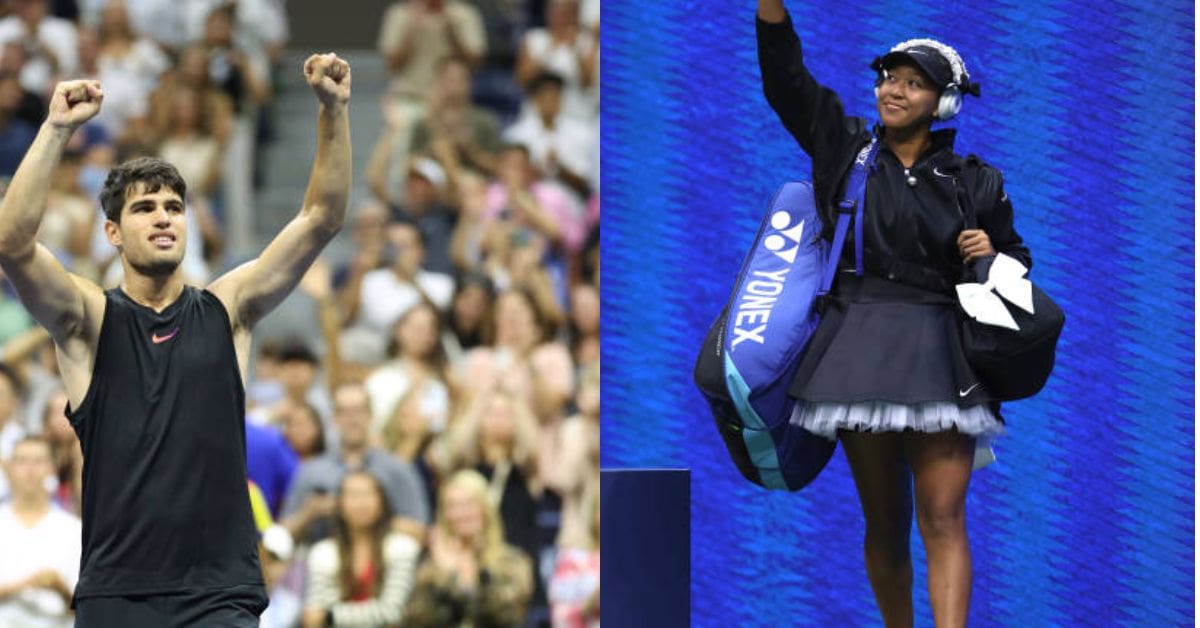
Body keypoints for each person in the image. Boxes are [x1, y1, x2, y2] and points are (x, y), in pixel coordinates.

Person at [0, 51, 353, 625]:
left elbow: (321, 217)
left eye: (174, 206)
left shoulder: (228, 310)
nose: (164, 217)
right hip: (118, 596)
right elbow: (12, 244)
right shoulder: (88, 320)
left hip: (221, 595)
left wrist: (333, 112)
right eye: (145, 208)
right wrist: (56, 128)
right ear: (112, 232)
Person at [756, 2, 1031, 626]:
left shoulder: (977, 181)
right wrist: (771, 11)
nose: (893, 90)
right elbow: (785, 82)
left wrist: (991, 252)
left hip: (940, 353)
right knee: (885, 523)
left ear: (945, 101)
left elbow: (1017, 263)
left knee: (944, 516)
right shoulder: (844, 148)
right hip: (857, 348)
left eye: (912, 82)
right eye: (888, 77)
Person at [401, 469, 533, 627]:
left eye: (469, 504)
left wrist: (464, 583)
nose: (460, 514)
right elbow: (417, 621)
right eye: (452, 506)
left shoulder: (512, 562)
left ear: (485, 509)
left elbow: (505, 618)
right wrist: (445, 575)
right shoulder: (429, 564)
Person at [301, 470, 421, 627]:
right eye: (353, 495)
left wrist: (331, 616)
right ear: (340, 504)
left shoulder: (403, 548)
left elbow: (393, 612)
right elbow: (313, 615)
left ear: (382, 502)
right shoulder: (322, 553)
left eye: (367, 494)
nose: (360, 502)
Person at [0, 436, 82, 628]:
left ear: (52, 468)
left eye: (38, 461)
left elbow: (85, 606)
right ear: (10, 468)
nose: (30, 470)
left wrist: (59, 588)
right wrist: (25, 585)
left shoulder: (73, 529)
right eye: (22, 461)